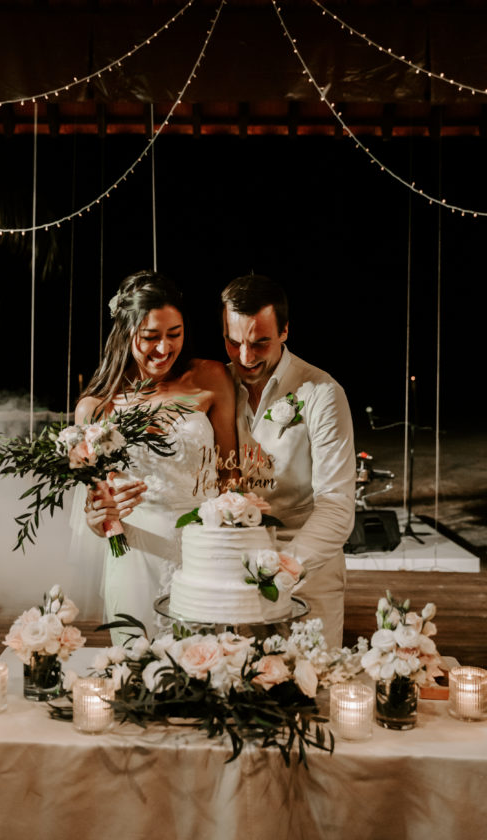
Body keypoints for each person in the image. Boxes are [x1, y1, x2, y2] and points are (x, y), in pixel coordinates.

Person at [71, 270, 237, 637]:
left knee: (210, 667)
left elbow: (231, 471)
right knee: (135, 670)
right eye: (150, 337)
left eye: (174, 335)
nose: (164, 349)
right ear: (126, 334)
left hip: (203, 551)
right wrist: (98, 515)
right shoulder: (97, 409)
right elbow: (97, 511)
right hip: (135, 554)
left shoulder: (210, 378)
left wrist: (230, 527)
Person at [221, 274, 356, 648]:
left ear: (284, 331)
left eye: (260, 342)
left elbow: (337, 505)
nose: (245, 358)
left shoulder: (322, 393)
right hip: (238, 570)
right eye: (233, 343)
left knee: (309, 691)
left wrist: (285, 566)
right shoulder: (219, 387)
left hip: (309, 571)